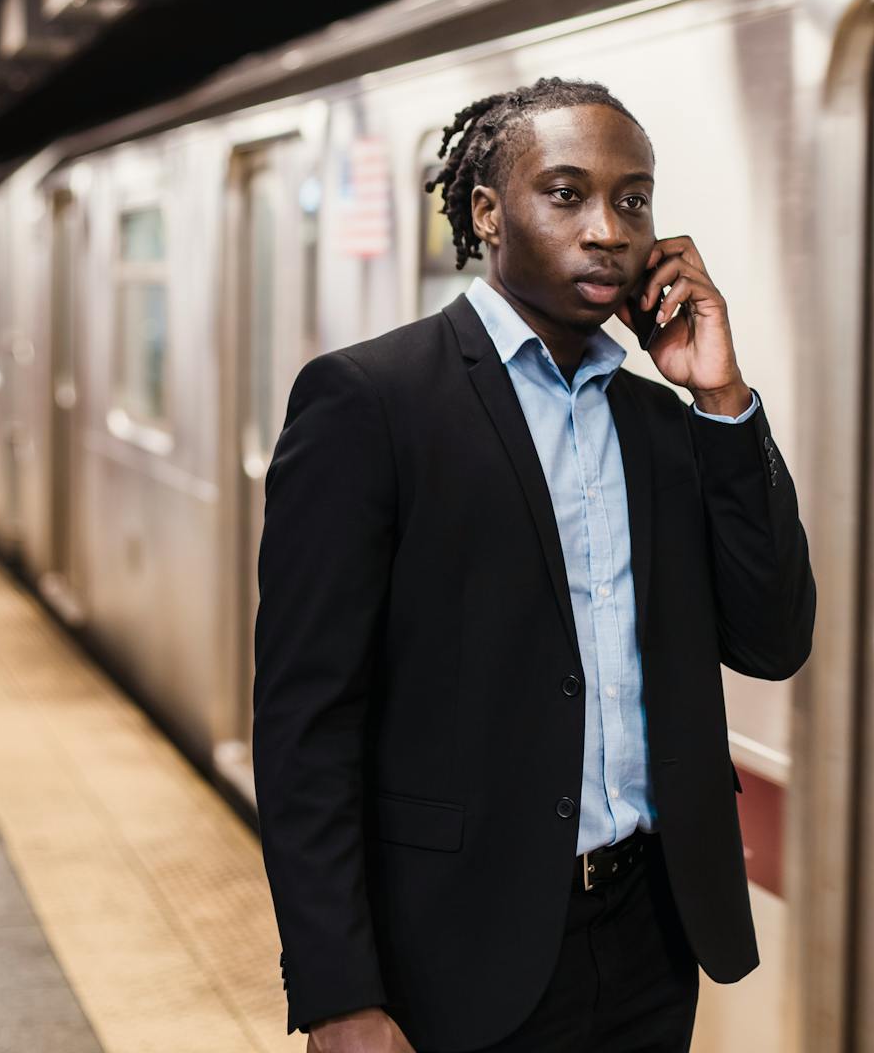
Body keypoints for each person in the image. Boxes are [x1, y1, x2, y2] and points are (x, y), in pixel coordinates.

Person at [253, 76, 817, 1053]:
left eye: (632, 199)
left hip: (650, 933)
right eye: (567, 193)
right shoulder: (371, 403)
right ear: (488, 211)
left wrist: (722, 401)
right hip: (458, 945)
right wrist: (339, 990)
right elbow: (307, 723)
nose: (607, 227)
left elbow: (772, 638)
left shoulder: (662, 424)